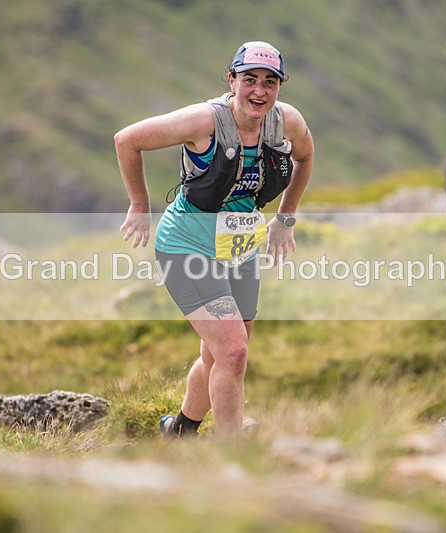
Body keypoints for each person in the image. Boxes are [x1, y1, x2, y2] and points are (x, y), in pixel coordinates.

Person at [114, 41, 314, 438]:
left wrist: (285, 219)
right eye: (249, 80)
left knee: (220, 354)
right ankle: (231, 448)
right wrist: (139, 204)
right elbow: (127, 140)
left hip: (239, 248)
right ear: (232, 80)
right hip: (186, 247)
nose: (259, 91)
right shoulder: (204, 121)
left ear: (279, 86)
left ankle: (182, 429)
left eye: (269, 82)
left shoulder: (285, 122)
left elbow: (305, 157)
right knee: (234, 351)